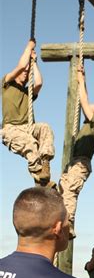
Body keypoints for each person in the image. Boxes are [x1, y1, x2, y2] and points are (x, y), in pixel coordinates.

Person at [1, 39, 55, 186]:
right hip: (11, 129)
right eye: (24, 72)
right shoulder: (6, 84)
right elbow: (20, 66)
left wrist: (34, 63)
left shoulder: (27, 93)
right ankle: (40, 177)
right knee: (30, 144)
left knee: (45, 127)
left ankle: (44, 166)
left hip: (27, 127)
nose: (25, 74)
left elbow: (39, 83)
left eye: (27, 73)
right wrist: (29, 47)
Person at [59, 66, 94, 236]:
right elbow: (85, 99)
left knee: (70, 190)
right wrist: (82, 79)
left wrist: (80, 79)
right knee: (63, 191)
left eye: (90, 108)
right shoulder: (87, 125)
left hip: (81, 163)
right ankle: (62, 220)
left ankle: (68, 224)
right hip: (74, 163)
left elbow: (83, 100)